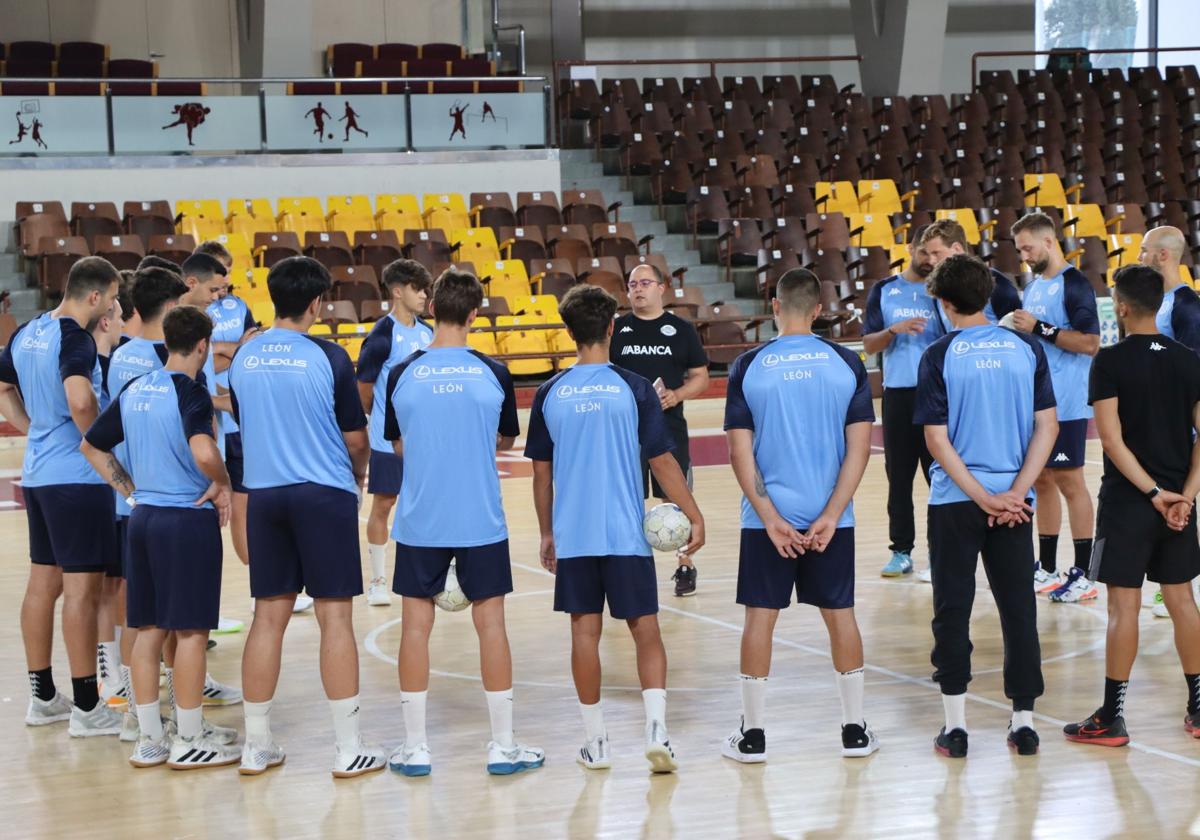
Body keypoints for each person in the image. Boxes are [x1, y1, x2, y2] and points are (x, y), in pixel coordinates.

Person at [527, 284, 705, 773]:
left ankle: (597, 742)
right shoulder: (634, 388)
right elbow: (662, 460)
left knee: (584, 635)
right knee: (645, 631)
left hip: (576, 536)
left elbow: (541, 475)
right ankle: (657, 733)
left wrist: (547, 533)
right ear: (611, 328)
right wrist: (692, 513)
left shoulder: (550, 392)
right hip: (626, 534)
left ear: (568, 332)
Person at [383, 269, 543, 778]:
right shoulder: (494, 372)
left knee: (414, 628)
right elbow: (505, 443)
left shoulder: (402, 371)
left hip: (420, 520)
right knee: (491, 627)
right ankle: (502, 746)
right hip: (480, 519)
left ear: (432, 309)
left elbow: (399, 444)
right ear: (474, 314)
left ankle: (415, 749)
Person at [229, 256, 384, 778]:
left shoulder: (243, 360)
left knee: (266, 618)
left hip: (266, 497)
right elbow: (357, 440)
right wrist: (358, 480)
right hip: (322, 494)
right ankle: (347, 748)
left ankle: (255, 746)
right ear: (317, 302)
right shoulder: (331, 356)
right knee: (334, 617)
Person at [720, 268, 878, 762]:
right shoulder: (846, 363)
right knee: (841, 616)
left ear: (774, 307)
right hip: (831, 519)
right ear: (817, 311)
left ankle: (753, 737)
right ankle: (854, 731)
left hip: (768, 520)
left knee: (759, 620)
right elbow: (860, 450)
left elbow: (738, 452)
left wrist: (768, 516)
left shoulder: (749, 365)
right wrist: (832, 513)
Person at [82, 305, 240, 769]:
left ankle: (150, 737)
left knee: (148, 630)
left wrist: (129, 492)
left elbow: (91, 444)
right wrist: (223, 482)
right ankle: (190, 736)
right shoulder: (190, 392)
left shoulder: (134, 388)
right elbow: (202, 448)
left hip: (143, 519)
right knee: (190, 632)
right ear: (203, 347)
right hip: (184, 521)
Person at [915, 254, 1058, 758]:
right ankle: (1024, 723)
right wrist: (1016, 494)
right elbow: (1048, 427)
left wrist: (982, 496)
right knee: (1018, 608)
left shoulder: (938, 354)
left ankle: (955, 728)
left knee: (952, 607)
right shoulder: (1026, 348)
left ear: (945, 303)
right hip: (1016, 504)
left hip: (958, 500)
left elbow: (936, 440)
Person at [1062, 264, 1200, 747]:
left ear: (1119, 306)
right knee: (1182, 600)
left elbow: (1113, 442)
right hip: (1179, 501)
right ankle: (1199, 708)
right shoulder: (1189, 359)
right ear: (1159, 303)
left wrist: (1152, 495)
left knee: (1124, 607)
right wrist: (1185, 495)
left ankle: (1111, 717)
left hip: (1129, 501)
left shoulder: (1111, 361)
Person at [0, 257, 124, 736]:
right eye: (112, 298)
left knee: (41, 585)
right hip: (77, 478)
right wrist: (97, 445)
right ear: (94, 298)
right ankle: (88, 708)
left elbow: (5, 387)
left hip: (39, 475)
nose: (114, 306)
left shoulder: (28, 331)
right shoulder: (75, 337)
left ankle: (44, 697)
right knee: (80, 592)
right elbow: (79, 399)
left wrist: (33, 431)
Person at [104, 267, 191, 738]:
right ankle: (171, 713)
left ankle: (139, 714)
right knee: (170, 619)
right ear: (173, 308)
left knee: (141, 611)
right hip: (166, 500)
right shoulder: (165, 361)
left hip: (132, 502)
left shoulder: (122, 356)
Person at [1011, 211, 1101, 601]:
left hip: (1067, 402)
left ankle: (1085, 574)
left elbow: (1090, 343)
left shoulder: (1074, 283)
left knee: (1070, 482)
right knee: (1042, 480)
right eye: (1019, 250)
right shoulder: (1032, 288)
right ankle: (1046, 568)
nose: (1024, 255)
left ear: (1048, 241)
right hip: (1039, 403)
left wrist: (1039, 329)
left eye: (1027, 247)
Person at [609, 263, 710, 596]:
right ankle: (630, 570)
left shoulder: (681, 329)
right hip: (625, 433)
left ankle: (686, 566)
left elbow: (701, 376)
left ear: (662, 288)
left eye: (645, 283)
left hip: (669, 428)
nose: (638, 289)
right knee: (629, 500)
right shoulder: (617, 329)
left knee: (676, 499)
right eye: (632, 283)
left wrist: (677, 395)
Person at [863, 225, 943, 580]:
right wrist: (894, 330)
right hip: (898, 394)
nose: (928, 260)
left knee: (940, 475)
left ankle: (942, 551)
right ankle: (901, 550)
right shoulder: (884, 290)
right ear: (911, 248)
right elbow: (869, 344)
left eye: (934, 254)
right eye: (923, 252)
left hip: (939, 394)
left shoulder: (943, 290)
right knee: (899, 478)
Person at [355, 259, 433, 606]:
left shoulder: (428, 333)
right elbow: (364, 389)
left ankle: (430, 572)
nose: (424, 296)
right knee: (384, 505)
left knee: (428, 503)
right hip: (388, 441)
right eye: (418, 289)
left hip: (424, 439)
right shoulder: (381, 335)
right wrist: (383, 418)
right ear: (398, 291)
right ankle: (378, 580)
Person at [1140, 226, 1200, 619]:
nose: (1139, 255)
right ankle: (1173, 585)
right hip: (1164, 423)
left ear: (1163, 255)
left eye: (1144, 250)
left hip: (1184, 426)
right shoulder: (1159, 302)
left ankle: (1180, 587)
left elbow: (1192, 370)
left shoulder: (1186, 306)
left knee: (1183, 503)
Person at [91, 293, 126, 710]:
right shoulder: (96, 364)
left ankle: (118, 669)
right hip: (104, 484)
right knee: (106, 583)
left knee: (117, 581)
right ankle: (108, 670)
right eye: (116, 315)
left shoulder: (114, 361)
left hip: (114, 485)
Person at [920, 219, 1022, 326]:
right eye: (928, 254)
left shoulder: (996, 283)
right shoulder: (938, 288)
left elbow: (1017, 331)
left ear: (957, 248)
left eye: (936, 253)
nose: (931, 261)